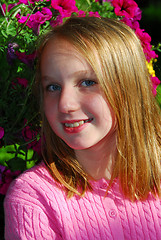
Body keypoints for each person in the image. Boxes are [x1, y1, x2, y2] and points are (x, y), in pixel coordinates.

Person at [4, 17, 161, 239]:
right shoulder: (34, 199)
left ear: (127, 86)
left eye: (87, 82)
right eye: (53, 87)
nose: (65, 104)